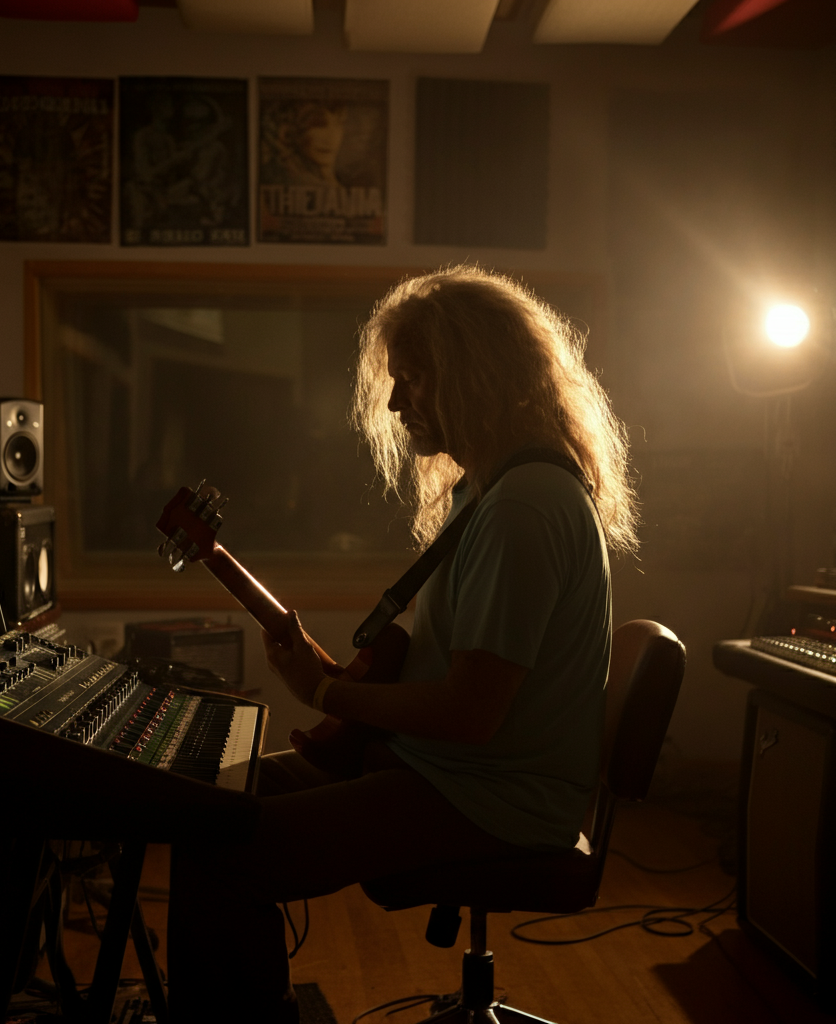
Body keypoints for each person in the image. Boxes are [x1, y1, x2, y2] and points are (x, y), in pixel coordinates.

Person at [166, 266, 639, 1023]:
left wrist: (325, 694)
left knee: (228, 856)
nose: (392, 402)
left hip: (491, 799)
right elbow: (445, 675)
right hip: (451, 774)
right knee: (206, 807)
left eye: (411, 379)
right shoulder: (489, 491)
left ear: (474, 378)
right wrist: (339, 685)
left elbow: (471, 713)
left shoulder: (524, 508)